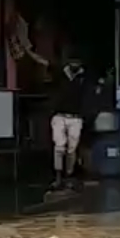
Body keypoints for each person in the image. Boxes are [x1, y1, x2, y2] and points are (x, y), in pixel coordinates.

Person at [48, 58, 88, 190]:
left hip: (76, 117)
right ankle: (58, 178)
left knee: (72, 149)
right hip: (59, 115)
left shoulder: (84, 77)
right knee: (59, 147)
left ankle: (68, 175)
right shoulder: (59, 73)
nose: (75, 64)